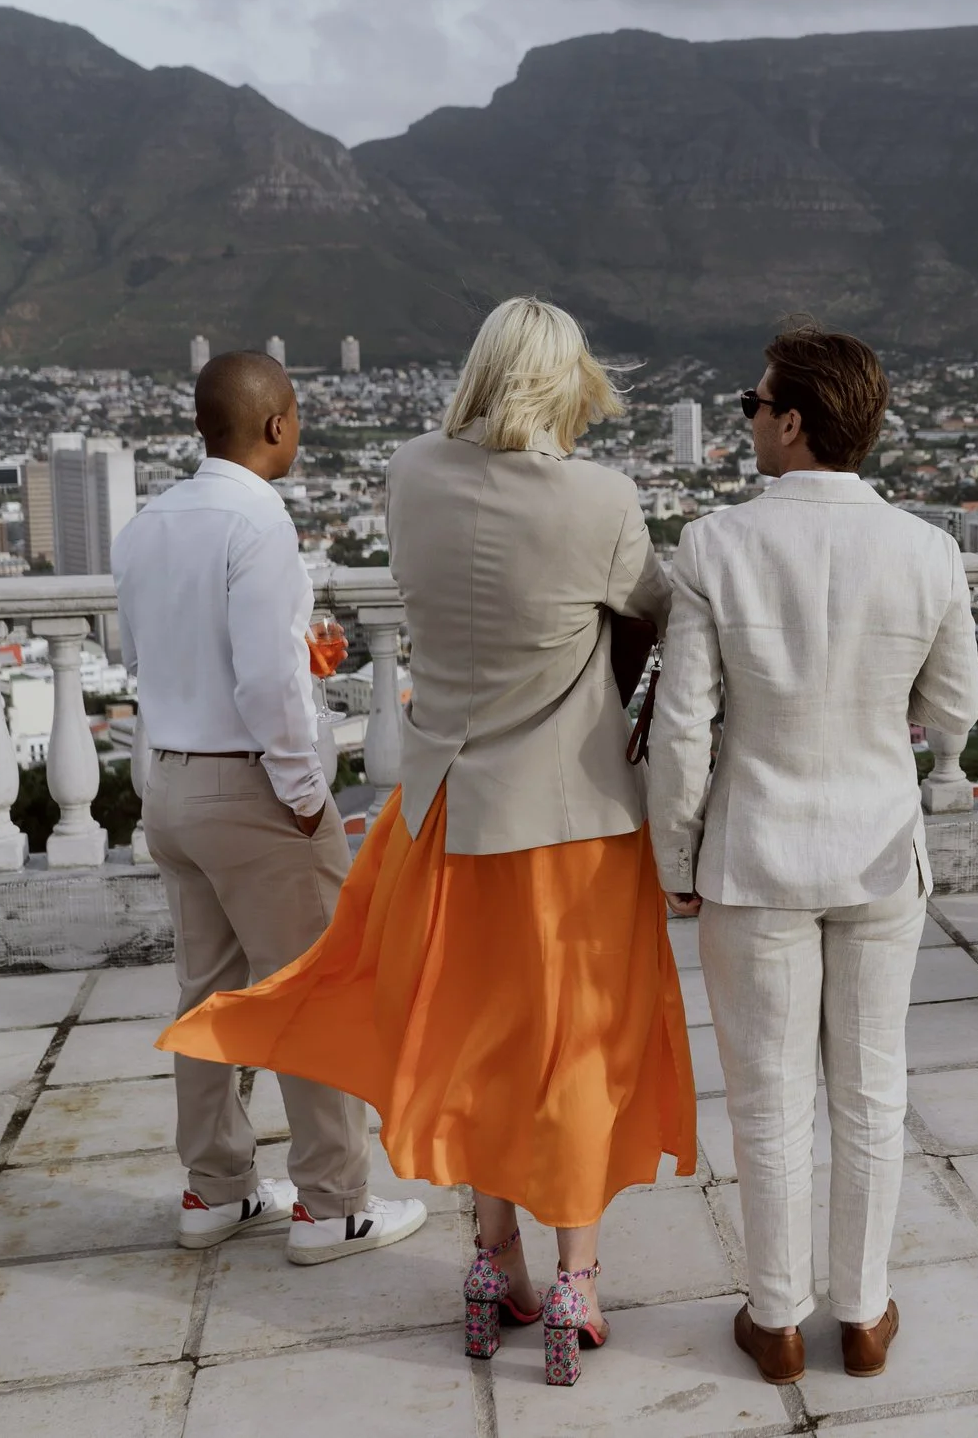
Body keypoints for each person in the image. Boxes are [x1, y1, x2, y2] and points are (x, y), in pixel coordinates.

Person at [157, 300, 696, 1387]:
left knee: (477, 1042)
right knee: (574, 1046)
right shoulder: (601, 498)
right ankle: (576, 1275)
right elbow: (661, 607)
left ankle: (492, 1261)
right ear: (567, 384)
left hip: (442, 817)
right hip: (572, 827)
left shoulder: (410, 473)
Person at [649, 318, 978, 1386]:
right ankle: (866, 1310)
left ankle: (779, 1317)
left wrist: (676, 855)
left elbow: (685, 727)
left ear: (792, 422)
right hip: (881, 848)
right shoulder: (926, 547)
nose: (748, 419)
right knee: (872, 1088)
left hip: (757, 857)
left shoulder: (717, 544)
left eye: (753, 404)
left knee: (768, 1095)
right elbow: (955, 705)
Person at [115, 351, 427, 1272]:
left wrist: (297, 671)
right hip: (249, 788)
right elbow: (262, 682)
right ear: (278, 424)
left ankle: (214, 1188)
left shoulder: (146, 526)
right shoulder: (258, 523)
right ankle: (332, 1204)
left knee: (207, 990)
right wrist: (303, 793)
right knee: (315, 988)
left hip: (168, 781)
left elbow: (151, 656)